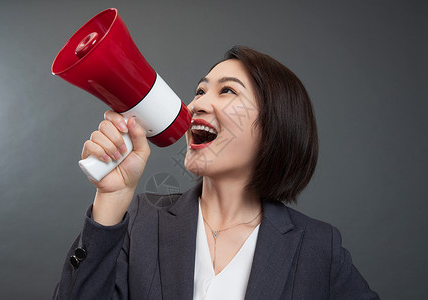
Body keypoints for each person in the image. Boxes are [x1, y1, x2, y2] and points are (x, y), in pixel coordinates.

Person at [52, 46, 380, 299]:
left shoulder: (319, 248)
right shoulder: (140, 220)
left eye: (227, 91)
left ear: (274, 125)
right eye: (199, 91)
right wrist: (112, 197)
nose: (196, 106)